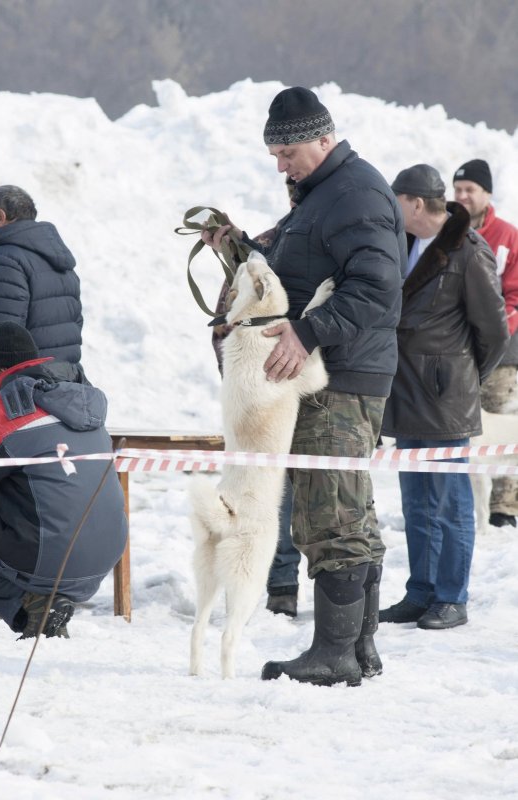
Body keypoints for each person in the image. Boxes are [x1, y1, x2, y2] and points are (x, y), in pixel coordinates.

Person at [202, 86, 405, 686]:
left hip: (337, 377)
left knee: (329, 512)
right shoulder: (322, 195)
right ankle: (360, 648)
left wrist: (309, 332)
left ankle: (334, 654)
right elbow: (299, 270)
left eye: (288, 152)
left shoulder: (355, 193)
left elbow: (375, 285)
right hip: (337, 371)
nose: (281, 164)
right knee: (349, 508)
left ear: (324, 137)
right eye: (275, 154)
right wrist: (239, 247)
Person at [380, 164, 509, 630]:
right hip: (406, 393)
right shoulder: (406, 243)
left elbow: (493, 332)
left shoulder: (468, 251)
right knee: (416, 500)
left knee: (451, 502)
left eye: (396, 201)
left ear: (416, 203)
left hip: (445, 396)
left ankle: (452, 596)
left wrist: (459, 374)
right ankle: (422, 591)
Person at [0, 321, 127, 638]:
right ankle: (41, 607)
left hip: (46, 557)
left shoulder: (1, 409)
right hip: (105, 556)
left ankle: (29, 607)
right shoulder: (80, 399)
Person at [212, 176, 301, 618]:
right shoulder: (267, 244)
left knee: (313, 488)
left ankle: (306, 582)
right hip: (264, 388)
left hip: (304, 381)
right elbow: (228, 311)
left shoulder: (320, 242)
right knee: (268, 490)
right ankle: (279, 582)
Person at [453, 159, 518, 528]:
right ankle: (463, 494)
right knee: (463, 422)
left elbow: (515, 293)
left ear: (486, 194)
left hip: (502, 348)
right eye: (458, 189)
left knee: (504, 415)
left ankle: (504, 507)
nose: (462, 196)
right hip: (457, 348)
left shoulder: (507, 236)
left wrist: (497, 331)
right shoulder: (448, 232)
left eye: (469, 190)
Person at [0, 185, 86, 382]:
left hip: (19, 391)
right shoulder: (62, 263)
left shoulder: (3, 258)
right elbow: (74, 328)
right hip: (58, 387)